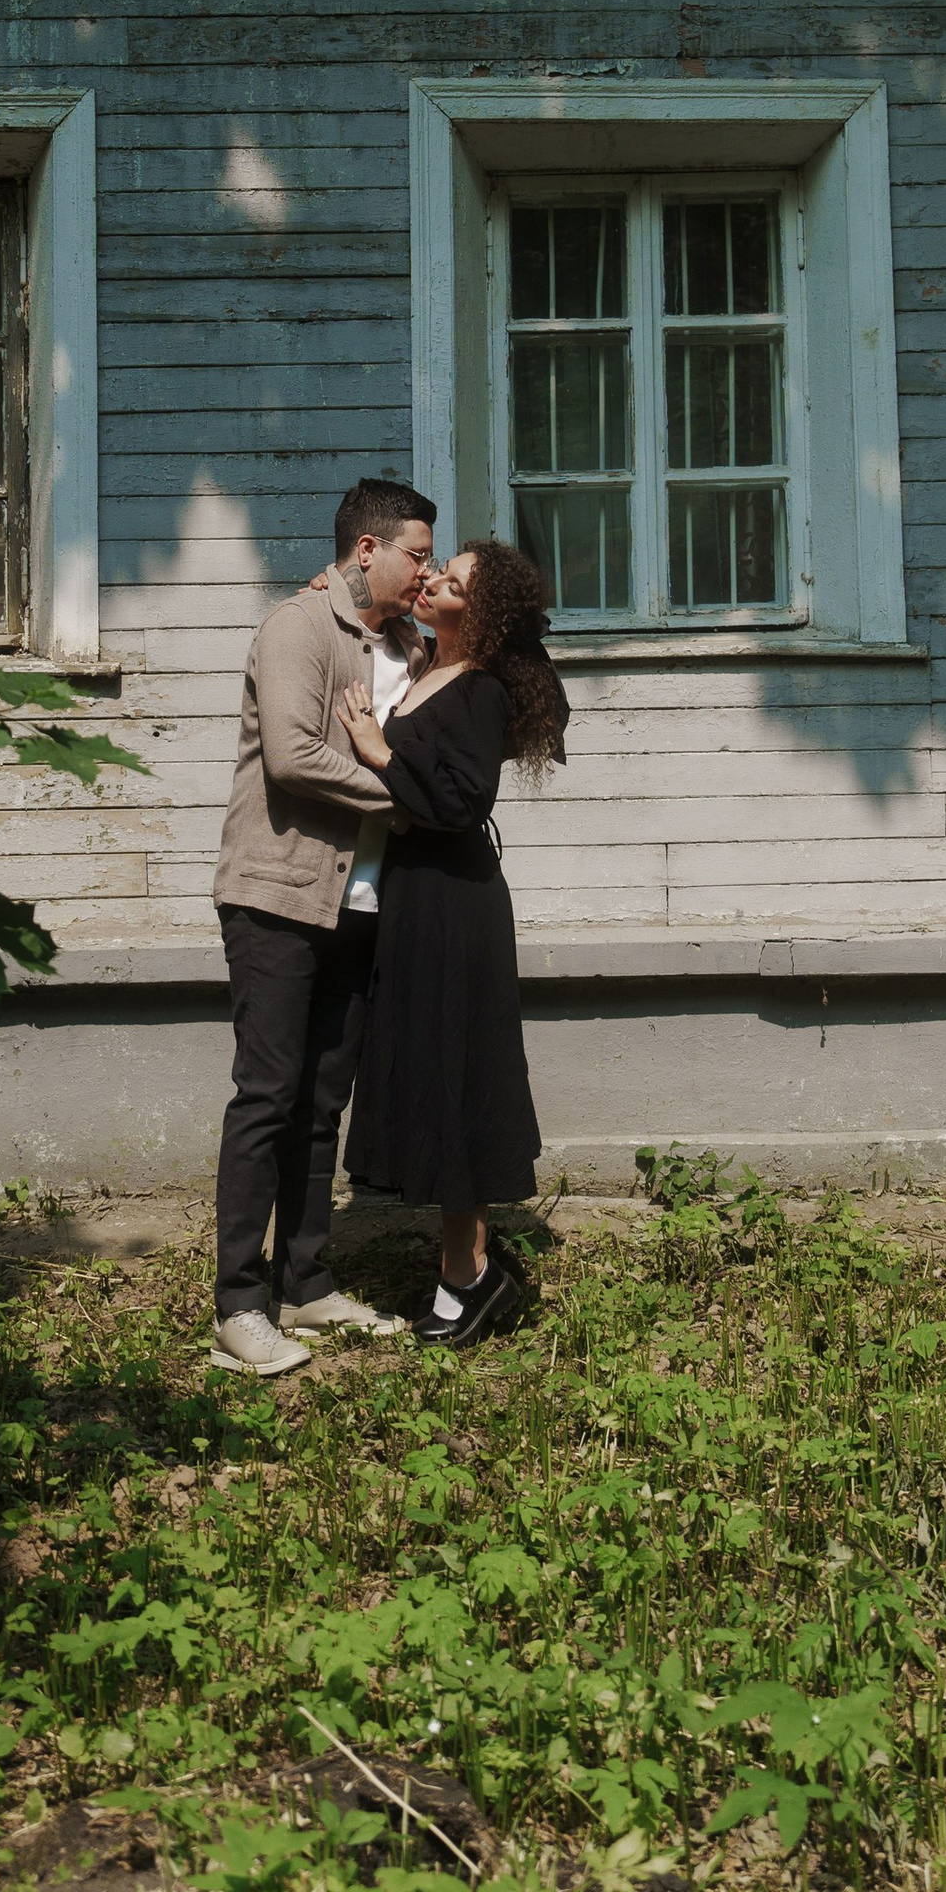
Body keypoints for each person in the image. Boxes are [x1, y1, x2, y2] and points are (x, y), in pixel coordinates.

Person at [206, 474, 437, 1376]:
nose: (424, 570)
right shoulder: (299, 628)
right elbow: (296, 754)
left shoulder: (409, 647)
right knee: (266, 1096)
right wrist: (408, 800)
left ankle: (306, 1282)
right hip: (278, 893)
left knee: (321, 1104)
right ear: (365, 550)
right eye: (416, 554)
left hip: (364, 901)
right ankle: (238, 1304)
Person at [338, 539, 569, 1348]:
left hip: (454, 906)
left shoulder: (477, 690)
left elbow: (462, 799)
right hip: (414, 897)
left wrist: (378, 749)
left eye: (455, 579)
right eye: (439, 569)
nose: (434, 579)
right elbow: (362, 617)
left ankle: (463, 1279)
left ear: (483, 611)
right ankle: (473, 1255)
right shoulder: (425, 665)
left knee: (452, 1075)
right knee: (430, 1068)